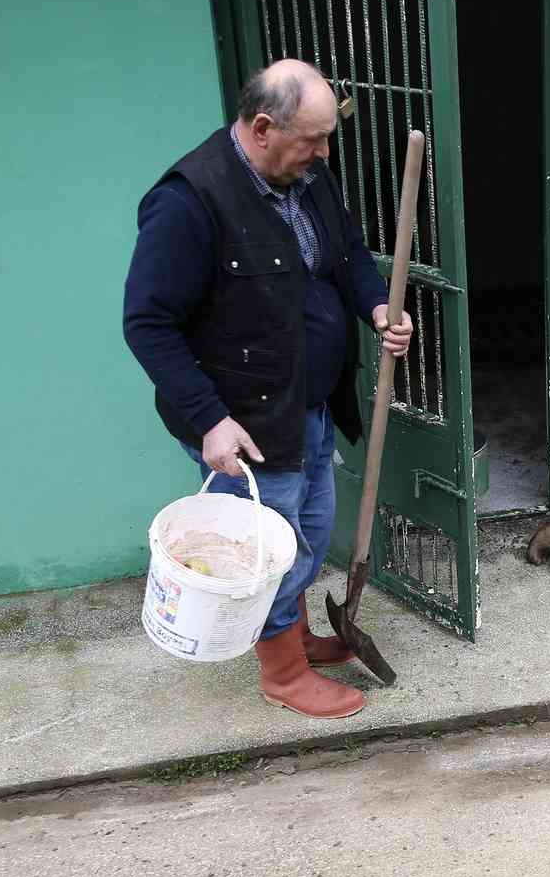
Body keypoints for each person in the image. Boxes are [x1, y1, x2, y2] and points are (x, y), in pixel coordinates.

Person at [123, 59, 413, 720]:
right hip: (245, 420)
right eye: (312, 139)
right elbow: (147, 323)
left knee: (304, 531)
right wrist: (209, 421)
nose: (324, 152)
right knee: (266, 545)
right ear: (261, 128)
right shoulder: (188, 201)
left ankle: (294, 634)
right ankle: (282, 674)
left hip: (307, 402)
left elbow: (351, 252)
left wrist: (376, 308)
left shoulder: (305, 176)